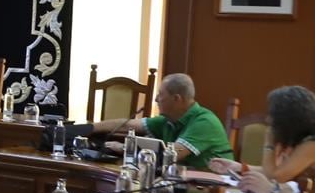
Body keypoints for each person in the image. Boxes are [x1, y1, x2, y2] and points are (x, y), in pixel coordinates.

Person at [92, 71, 232, 168]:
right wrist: (87, 128)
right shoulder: (168, 120)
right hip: (187, 182)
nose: (156, 99)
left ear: (176, 99)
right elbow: (126, 125)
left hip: (214, 190)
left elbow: (170, 156)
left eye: (160, 94)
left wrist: (123, 147)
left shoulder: (204, 122)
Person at [211, 85, 315, 185]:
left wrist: (269, 143)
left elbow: (274, 178)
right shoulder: (296, 139)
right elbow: (272, 171)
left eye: (274, 115)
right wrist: (238, 167)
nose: (269, 120)